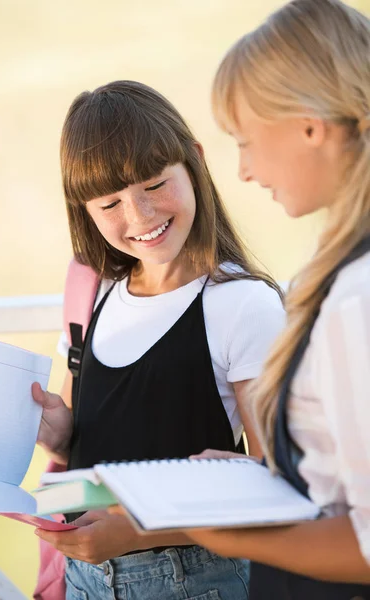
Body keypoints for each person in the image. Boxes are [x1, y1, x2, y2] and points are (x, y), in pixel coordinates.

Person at [31, 80, 285, 600]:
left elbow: (274, 487)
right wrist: (57, 431)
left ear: (193, 161)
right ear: (84, 208)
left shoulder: (240, 303)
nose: (140, 217)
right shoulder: (93, 291)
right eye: (110, 203)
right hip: (85, 578)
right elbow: (90, 448)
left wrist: (135, 530)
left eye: (153, 184)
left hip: (196, 579)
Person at [184, 0, 370, 598]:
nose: (241, 170)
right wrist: (260, 476)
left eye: (246, 141)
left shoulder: (356, 297)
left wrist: (228, 537)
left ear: (309, 127)